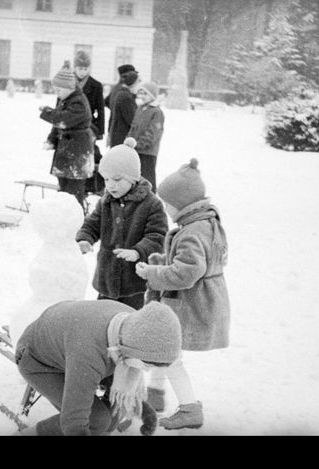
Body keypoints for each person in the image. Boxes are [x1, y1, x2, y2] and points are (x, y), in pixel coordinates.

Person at [135, 158, 230, 430]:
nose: (165, 208)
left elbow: (188, 273)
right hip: (196, 301)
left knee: (170, 355)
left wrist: (153, 274)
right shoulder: (205, 223)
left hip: (190, 304)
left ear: (182, 203)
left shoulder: (192, 230)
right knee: (164, 349)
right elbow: (192, 262)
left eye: (167, 204)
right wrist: (163, 261)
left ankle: (189, 409)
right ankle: (155, 395)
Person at [15, 299, 182, 436]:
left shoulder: (133, 325)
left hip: (69, 343)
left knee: (116, 410)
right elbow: (75, 418)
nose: (145, 370)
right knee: (97, 420)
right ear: (130, 349)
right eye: (146, 364)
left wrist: (141, 407)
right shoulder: (88, 353)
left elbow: (124, 393)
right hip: (37, 360)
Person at [76, 138, 167, 310]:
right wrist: (85, 239)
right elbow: (92, 224)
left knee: (132, 325)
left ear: (132, 178)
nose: (111, 185)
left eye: (117, 179)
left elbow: (158, 236)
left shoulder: (151, 204)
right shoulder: (106, 202)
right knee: (103, 321)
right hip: (107, 282)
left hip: (135, 285)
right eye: (106, 179)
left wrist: (138, 251)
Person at [40, 61, 95, 210]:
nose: (56, 92)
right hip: (67, 152)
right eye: (55, 89)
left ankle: (76, 221)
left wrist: (47, 112)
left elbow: (63, 120)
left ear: (69, 88)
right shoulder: (66, 99)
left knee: (74, 193)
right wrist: (51, 140)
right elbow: (58, 125)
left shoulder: (79, 102)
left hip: (78, 153)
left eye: (59, 89)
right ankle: (63, 217)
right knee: (63, 189)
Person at [73, 50, 106, 195]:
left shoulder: (96, 85)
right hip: (71, 126)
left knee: (86, 157)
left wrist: (99, 130)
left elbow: (101, 109)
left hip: (89, 128)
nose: (82, 72)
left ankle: (87, 186)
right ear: (75, 68)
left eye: (85, 69)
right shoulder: (68, 83)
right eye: (80, 68)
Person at [127, 81, 165, 193]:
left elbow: (152, 133)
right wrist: (128, 140)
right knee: (135, 178)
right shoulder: (140, 109)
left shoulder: (156, 112)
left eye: (145, 93)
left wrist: (138, 144)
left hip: (148, 153)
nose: (142, 96)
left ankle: (150, 200)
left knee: (147, 179)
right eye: (141, 93)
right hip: (135, 150)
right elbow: (133, 127)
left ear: (152, 96)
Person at [106, 65, 139, 148]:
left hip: (115, 128)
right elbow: (131, 119)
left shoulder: (116, 88)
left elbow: (107, 102)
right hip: (121, 132)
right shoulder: (124, 94)